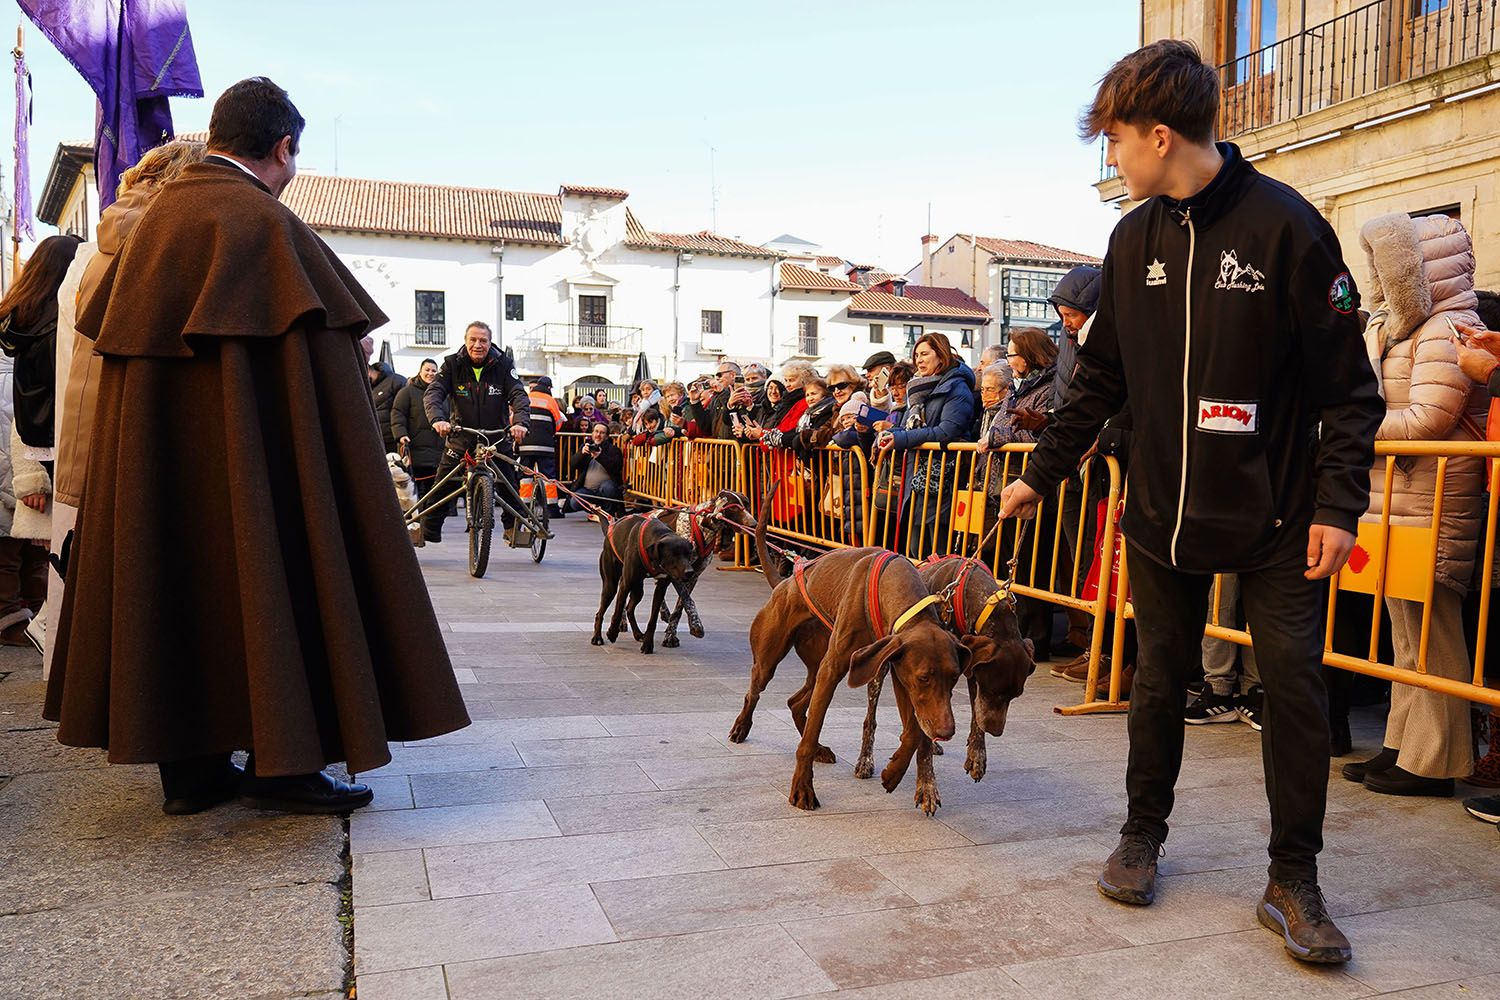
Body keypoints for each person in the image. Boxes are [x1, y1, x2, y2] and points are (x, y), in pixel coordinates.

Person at [998, 41, 1382, 964]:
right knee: (1157, 680)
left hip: (1281, 520)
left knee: (1292, 689)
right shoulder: (1132, 240)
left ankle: (1295, 878)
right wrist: (1039, 473)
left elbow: (1350, 391)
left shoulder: (1290, 229)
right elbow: (1097, 383)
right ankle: (1142, 837)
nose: (1114, 161)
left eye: (1117, 143)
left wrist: (1338, 508)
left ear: (1160, 135)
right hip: (1160, 516)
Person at [45, 77, 471, 815]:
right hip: (262, 476)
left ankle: (193, 773)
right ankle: (286, 768)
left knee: (174, 580)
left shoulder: (151, 227)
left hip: (165, 481)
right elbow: (324, 373)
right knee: (278, 579)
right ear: (281, 148)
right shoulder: (264, 225)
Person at [1340, 212, 1488, 799]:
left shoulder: (1449, 326)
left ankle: (1435, 761)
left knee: (1433, 632)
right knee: (1407, 629)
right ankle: (1404, 745)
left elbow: (1429, 418)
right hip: (1399, 496)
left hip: (1432, 499)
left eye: (1387, 264)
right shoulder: (1405, 329)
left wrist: (1352, 429)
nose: (1377, 277)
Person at [48, 140, 207, 674]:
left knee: (123, 581)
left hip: (92, 431)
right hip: (138, 433)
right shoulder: (165, 242)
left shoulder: (102, 246)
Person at [423, 320, 530, 544]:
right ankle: (428, 529)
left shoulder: (503, 364)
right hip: (461, 435)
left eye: (483, 340)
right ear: (465, 341)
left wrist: (520, 422)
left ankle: (512, 528)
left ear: (490, 343)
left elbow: (518, 395)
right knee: (443, 483)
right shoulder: (452, 364)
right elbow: (434, 392)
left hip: (496, 437)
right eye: (473, 340)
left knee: (509, 482)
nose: (478, 345)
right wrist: (438, 420)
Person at [878, 332, 977, 558]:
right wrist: (889, 434)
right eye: (916, 355)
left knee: (936, 550)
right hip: (918, 476)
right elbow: (907, 427)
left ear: (941, 356)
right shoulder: (919, 390)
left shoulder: (957, 388)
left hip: (941, 477)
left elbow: (947, 431)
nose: (919, 360)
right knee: (915, 547)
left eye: (924, 354)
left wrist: (901, 439)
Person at [392, 358, 442, 497]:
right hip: (415, 447)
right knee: (417, 489)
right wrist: (401, 434)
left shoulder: (442, 393)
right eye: (427, 370)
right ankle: (418, 517)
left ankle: (429, 517)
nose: (430, 373)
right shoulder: (407, 392)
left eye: (433, 371)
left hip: (438, 448)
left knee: (435, 488)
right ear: (420, 371)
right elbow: (398, 414)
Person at [521, 375, 565, 515]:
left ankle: (524, 505)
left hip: (525, 445)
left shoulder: (526, 398)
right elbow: (558, 423)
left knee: (525, 476)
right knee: (548, 477)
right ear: (549, 388)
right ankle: (552, 508)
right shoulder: (550, 400)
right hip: (545, 446)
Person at [569, 421, 624, 518]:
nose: (598, 435)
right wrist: (581, 454)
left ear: (606, 436)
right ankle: (596, 510)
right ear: (592, 433)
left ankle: (607, 512)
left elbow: (615, 468)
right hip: (588, 490)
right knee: (574, 503)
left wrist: (600, 456)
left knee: (608, 488)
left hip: (605, 488)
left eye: (602, 433)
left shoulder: (613, 449)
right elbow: (572, 465)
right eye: (596, 431)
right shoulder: (586, 447)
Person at [367, 357, 406, 454]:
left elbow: (403, 409)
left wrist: (401, 433)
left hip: (394, 439)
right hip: (377, 439)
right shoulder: (369, 387)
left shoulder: (396, 380)